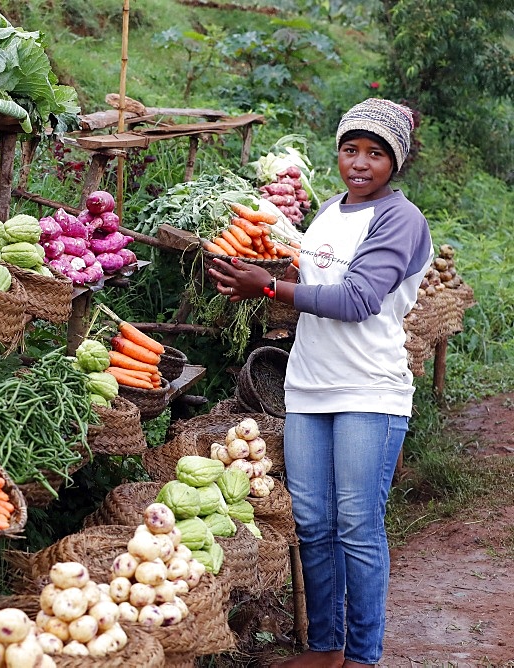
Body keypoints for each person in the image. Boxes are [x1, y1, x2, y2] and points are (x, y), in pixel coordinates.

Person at [208, 98, 433, 668]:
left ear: (396, 162)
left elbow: (357, 299)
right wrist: (255, 276)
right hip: (309, 386)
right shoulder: (330, 210)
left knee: (357, 525)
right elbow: (316, 281)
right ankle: (325, 646)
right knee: (312, 523)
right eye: (350, 149)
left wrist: (269, 289)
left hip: (369, 391)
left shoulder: (402, 220)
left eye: (376, 153)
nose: (359, 162)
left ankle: (363, 654)